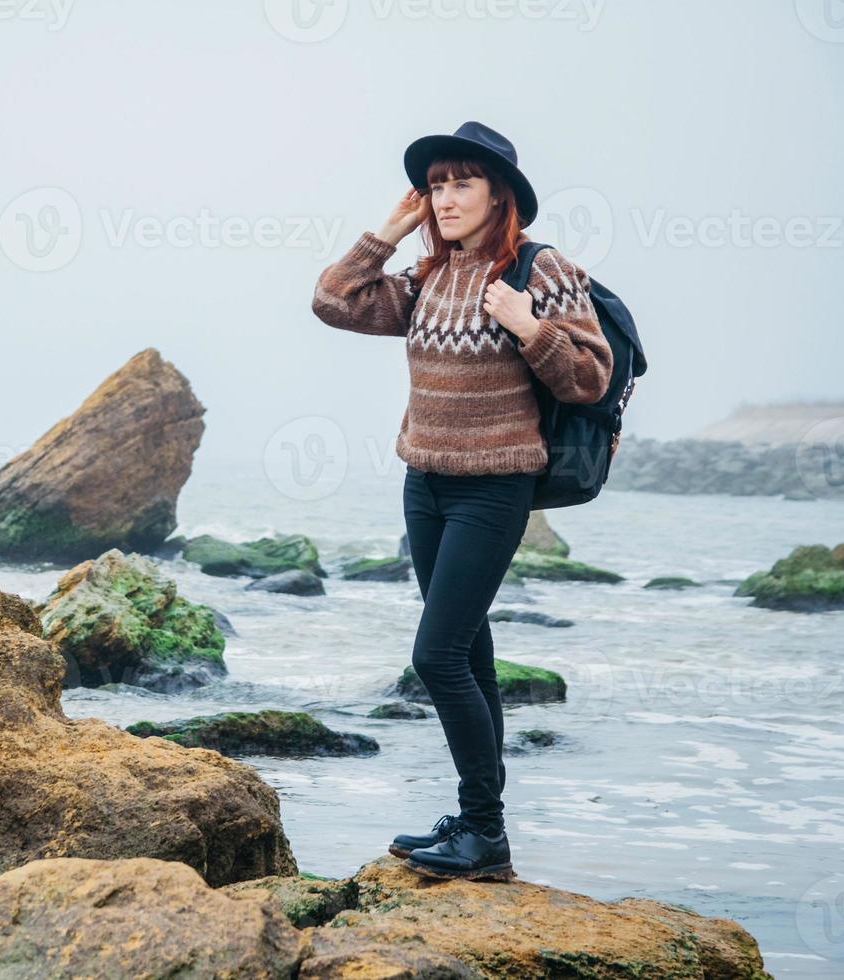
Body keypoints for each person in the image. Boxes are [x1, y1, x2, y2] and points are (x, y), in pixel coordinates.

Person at [310, 121, 613, 881]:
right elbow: (333, 301)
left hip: (494, 486)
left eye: (461, 183)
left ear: (498, 193)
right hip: (427, 481)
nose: (444, 198)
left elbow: (589, 378)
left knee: (436, 654)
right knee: (468, 650)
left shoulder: (543, 272)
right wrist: (385, 233)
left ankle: (486, 829)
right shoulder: (424, 278)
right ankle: (477, 823)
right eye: (435, 184)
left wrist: (530, 327)